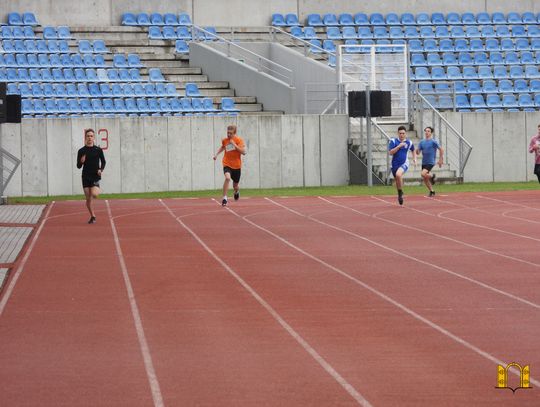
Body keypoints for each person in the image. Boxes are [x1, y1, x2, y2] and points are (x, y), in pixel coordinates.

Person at [76, 129, 106, 224]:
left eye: (91, 136)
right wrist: (81, 161)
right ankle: (93, 216)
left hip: (95, 176)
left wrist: (100, 170)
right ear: (85, 137)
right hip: (85, 176)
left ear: (94, 138)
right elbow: (78, 166)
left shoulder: (98, 150)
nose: (90, 138)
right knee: (88, 199)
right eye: (88, 136)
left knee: (95, 194)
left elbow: (104, 161)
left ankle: (96, 189)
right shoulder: (81, 151)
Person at [213, 125, 246, 206]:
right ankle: (224, 198)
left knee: (235, 186)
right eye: (228, 133)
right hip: (227, 163)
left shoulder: (239, 140)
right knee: (227, 178)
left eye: (230, 133)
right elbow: (223, 147)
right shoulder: (225, 140)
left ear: (234, 133)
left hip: (237, 166)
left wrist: (234, 145)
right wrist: (216, 155)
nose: (228, 135)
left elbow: (244, 152)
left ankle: (236, 191)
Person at [388, 125, 416, 205]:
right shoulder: (393, 141)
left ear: (405, 134)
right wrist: (398, 146)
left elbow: (413, 150)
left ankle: (400, 193)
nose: (402, 135)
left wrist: (414, 158)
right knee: (397, 179)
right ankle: (400, 193)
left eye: (403, 133)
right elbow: (390, 152)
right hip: (394, 164)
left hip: (404, 163)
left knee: (398, 175)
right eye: (400, 133)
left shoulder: (408, 142)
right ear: (398, 133)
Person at [416, 126, 444, 197]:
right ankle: (432, 191)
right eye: (426, 131)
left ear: (431, 133)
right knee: (425, 179)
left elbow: (441, 149)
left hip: (431, 162)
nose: (427, 132)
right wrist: (417, 151)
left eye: (428, 131)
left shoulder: (433, 142)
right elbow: (418, 152)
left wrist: (440, 159)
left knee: (423, 174)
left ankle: (432, 176)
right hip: (424, 162)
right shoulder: (422, 142)